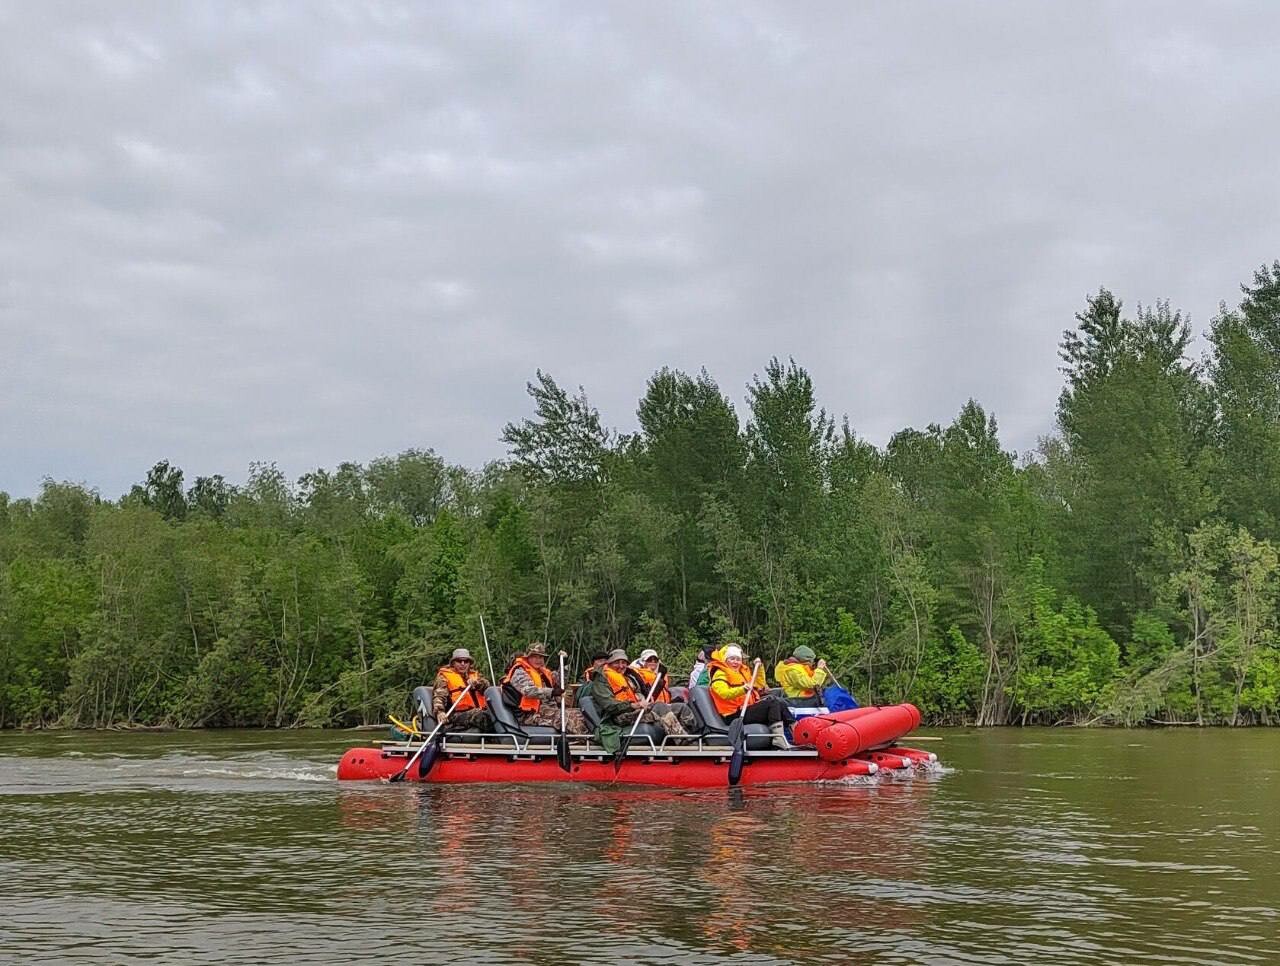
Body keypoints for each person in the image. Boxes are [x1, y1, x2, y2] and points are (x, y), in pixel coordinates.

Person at [590, 649, 687, 744]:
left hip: (636, 711)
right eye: (617, 662)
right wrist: (633, 705)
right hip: (618, 716)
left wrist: (643, 699)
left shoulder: (627, 677)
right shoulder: (601, 680)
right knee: (660, 707)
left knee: (681, 707)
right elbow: (609, 705)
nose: (621, 666)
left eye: (624, 662)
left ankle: (692, 738)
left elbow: (637, 693)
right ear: (609, 663)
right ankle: (683, 742)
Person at [708, 644, 794, 748]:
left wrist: (760, 668)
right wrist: (742, 689)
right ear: (725, 660)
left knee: (779, 701)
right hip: (733, 715)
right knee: (772, 703)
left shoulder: (741, 673)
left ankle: (795, 730)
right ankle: (778, 738)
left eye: (738, 659)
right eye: (732, 659)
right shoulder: (720, 674)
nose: (735, 662)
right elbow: (723, 693)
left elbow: (759, 685)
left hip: (745, 709)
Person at [501, 642, 588, 734]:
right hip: (530, 714)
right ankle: (582, 740)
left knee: (581, 714)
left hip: (547, 710)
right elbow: (528, 691)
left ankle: (588, 739)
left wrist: (563, 666)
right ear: (527, 658)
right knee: (569, 718)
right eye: (535, 657)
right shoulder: (519, 672)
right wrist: (552, 692)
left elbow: (560, 683)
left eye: (541, 657)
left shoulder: (542, 672)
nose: (538, 660)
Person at [432, 647, 493, 731]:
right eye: (459, 661)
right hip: (456, 714)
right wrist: (440, 712)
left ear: (469, 663)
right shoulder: (444, 677)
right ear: (453, 663)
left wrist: (477, 683)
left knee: (493, 713)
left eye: (466, 661)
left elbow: (487, 687)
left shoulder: (475, 675)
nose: (463, 664)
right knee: (481, 716)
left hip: (480, 710)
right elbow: (439, 696)